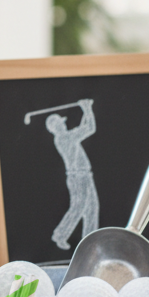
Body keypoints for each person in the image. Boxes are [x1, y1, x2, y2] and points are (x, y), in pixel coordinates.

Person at [46, 99, 99, 251]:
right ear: (56, 127)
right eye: (60, 123)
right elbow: (89, 128)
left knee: (91, 209)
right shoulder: (64, 138)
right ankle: (60, 235)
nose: (63, 124)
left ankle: (89, 243)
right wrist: (87, 109)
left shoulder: (67, 137)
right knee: (78, 206)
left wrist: (86, 111)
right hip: (78, 177)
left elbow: (83, 127)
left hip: (84, 176)